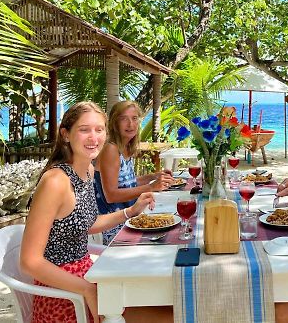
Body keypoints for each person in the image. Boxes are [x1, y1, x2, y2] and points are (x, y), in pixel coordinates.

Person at [20, 101, 155, 323]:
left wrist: (130, 211)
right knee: (161, 313)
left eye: (99, 129)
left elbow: (87, 224)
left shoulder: (88, 170)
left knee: (158, 301)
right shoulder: (55, 181)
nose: (94, 138)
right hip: (63, 292)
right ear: (65, 134)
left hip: (88, 274)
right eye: (84, 130)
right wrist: (87, 290)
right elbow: (29, 261)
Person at [94, 100, 174, 244]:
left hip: (131, 219)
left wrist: (153, 176)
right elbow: (110, 195)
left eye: (134, 118)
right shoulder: (111, 149)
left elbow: (127, 183)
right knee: (168, 236)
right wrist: (150, 187)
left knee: (170, 223)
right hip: (116, 227)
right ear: (114, 123)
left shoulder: (125, 147)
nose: (130, 124)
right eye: (124, 119)